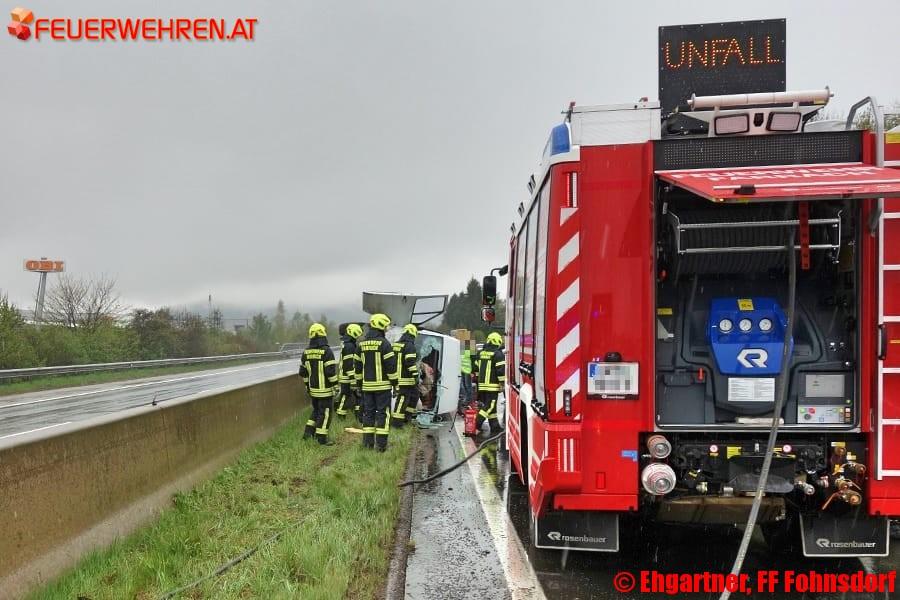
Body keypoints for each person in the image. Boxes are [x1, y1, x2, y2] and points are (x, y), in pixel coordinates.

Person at [355, 313, 398, 451]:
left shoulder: (361, 345)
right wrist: (395, 383)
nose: (386, 329)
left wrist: (359, 384)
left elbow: (357, 367)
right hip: (383, 387)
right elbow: (391, 367)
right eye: (385, 327)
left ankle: (367, 444)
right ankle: (381, 446)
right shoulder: (385, 344)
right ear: (380, 326)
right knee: (382, 414)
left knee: (368, 414)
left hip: (367, 387)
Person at [299, 323, 338, 445]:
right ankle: (322, 439)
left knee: (316, 411)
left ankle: (307, 433)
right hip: (325, 391)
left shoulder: (306, 352)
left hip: (313, 390)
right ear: (323, 334)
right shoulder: (327, 351)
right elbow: (330, 372)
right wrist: (336, 386)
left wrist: (307, 387)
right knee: (325, 413)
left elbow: (303, 373)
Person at [473, 332, 505, 434]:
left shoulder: (481, 353)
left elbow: (476, 366)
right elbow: (501, 370)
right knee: (489, 406)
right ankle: (475, 424)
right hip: (492, 386)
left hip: (482, 385)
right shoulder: (498, 354)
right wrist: (502, 383)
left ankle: (495, 427)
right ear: (497, 341)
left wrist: (478, 378)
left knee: (492, 408)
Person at [390, 323, 420, 427]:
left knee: (414, 396)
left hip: (397, 378)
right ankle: (397, 423)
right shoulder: (410, 346)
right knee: (402, 400)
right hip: (405, 379)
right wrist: (416, 375)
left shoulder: (395, 345)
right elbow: (410, 362)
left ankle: (407, 418)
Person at [336, 323, 363, 420]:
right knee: (345, 395)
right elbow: (348, 364)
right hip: (347, 377)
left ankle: (358, 415)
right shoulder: (349, 346)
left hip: (347, 376)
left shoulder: (348, 344)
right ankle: (340, 415)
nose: (358, 337)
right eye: (358, 335)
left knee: (357, 395)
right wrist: (352, 379)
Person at [459, 340, 474, 408]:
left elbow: (474, 360)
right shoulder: (462, 349)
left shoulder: (470, 347)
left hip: (468, 371)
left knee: (468, 386)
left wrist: (473, 371)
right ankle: (466, 400)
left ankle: (469, 400)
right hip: (462, 370)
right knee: (464, 386)